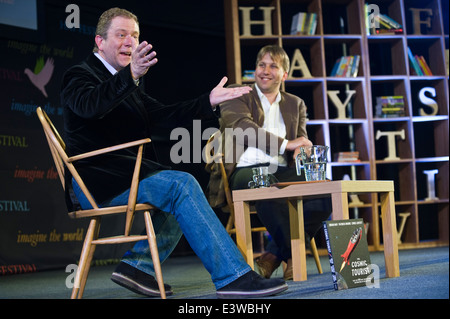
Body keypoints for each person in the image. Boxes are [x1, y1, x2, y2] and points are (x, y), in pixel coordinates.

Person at [60, 7, 288, 298]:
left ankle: (137, 266)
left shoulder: (127, 82)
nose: (131, 41)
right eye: (121, 34)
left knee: (183, 185)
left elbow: (164, 115)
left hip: (125, 176)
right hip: (95, 182)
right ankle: (234, 276)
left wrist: (208, 101)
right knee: (181, 185)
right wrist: (130, 75)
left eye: (135, 35)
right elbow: (90, 106)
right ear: (99, 41)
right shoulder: (78, 75)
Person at [208, 45, 331, 280]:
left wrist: (300, 152)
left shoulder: (296, 104)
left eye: (273, 66)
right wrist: (288, 145)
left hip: (281, 170)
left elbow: (301, 142)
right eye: (261, 65)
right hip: (243, 171)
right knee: (268, 186)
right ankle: (293, 256)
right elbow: (244, 130)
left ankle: (273, 256)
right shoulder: (237, 93)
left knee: (324, 188)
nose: (265, 70)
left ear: (284, 74)